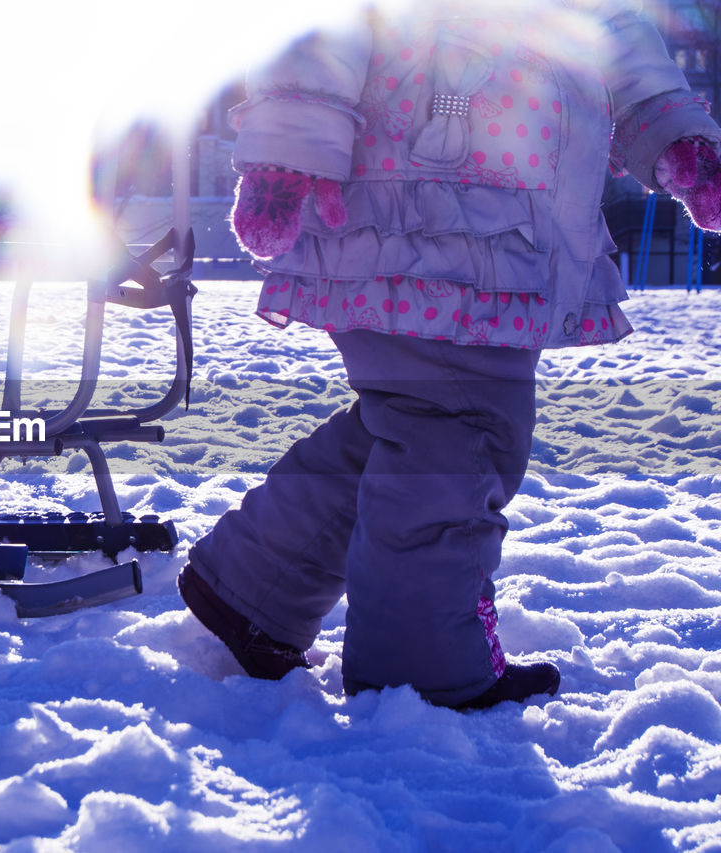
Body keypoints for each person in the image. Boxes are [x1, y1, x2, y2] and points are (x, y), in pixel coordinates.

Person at [180, 0, 721, 709]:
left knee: (412, 420)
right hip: (419, 223)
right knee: (465, 432)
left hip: (488, 235)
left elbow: (612, 29)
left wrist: (673, 131)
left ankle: (254, 587)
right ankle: (422, 664)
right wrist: (287, 153)